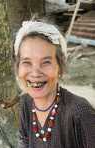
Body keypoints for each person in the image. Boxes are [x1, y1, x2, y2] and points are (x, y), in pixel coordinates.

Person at [13, 20, 95, 148]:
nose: (35, 73)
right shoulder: (26, 103)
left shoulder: (80, 111)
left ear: (60, 67)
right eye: (26, 62)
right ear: (17, 67)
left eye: (46, 62)